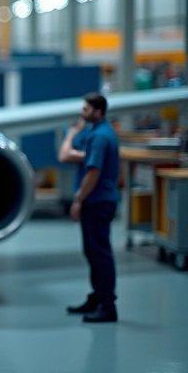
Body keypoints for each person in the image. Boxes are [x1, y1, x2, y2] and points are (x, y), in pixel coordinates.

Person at [58, 92, 121, 323]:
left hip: (98, 202)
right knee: (92, 252)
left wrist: (78, 200)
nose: (81, 114)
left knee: (100, 254)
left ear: (98, 112)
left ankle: (107, 306)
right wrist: (74, 133)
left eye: (85, 110)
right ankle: (97, 297)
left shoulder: (101, 137)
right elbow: (65, 156)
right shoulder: (94, 133)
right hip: (95, 201)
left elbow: (93, 172)